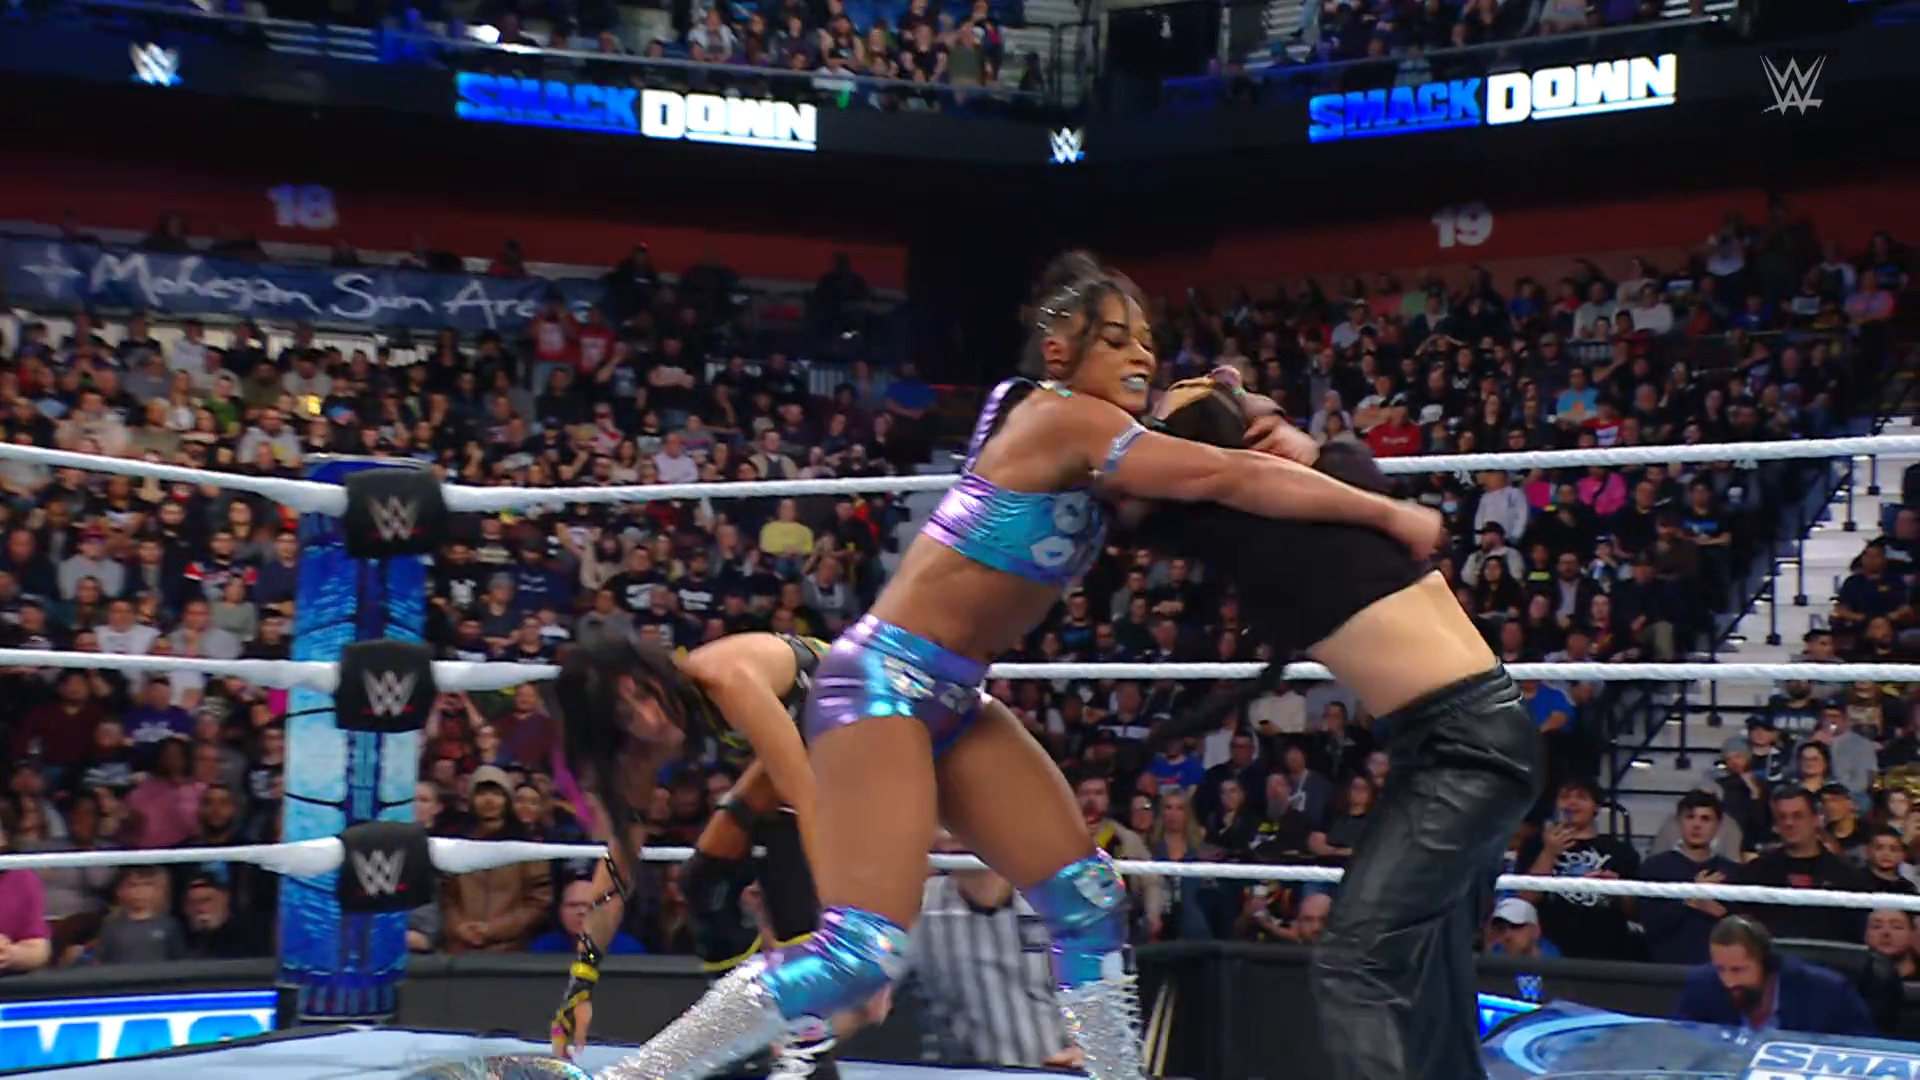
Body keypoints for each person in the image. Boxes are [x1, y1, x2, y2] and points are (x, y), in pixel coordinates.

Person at [599, 252, 1444, 1080]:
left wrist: (1242, 403)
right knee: (861, 954)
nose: (1140, 354)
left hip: (952, 696)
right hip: (881, 683)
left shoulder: (1094, 442)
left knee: (1086, 895)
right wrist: (1389, 514)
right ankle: (634, 1078)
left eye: (1146, 341)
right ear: (1060, 352)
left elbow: (1224, 455)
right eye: (1115, 339)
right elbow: (1229, 476)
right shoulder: (1062, 418)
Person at [1127, 367, 1541, 1080]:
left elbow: (1132, 494)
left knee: (1355, 961)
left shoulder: (1256, 525)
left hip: (1466, 751)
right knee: (1427, 967)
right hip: (1468, 741)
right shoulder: (1331, 485)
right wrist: (1278, 428)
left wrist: (1236, 427)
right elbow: (1336, 467)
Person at [549, 631, 857, 1079]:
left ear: (656, 674)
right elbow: (618, 868)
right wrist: (581, 983)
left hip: (863, 709)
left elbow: (807, 800)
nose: (648, 719)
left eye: (643, 695)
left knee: (785, 850)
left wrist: (839, 917)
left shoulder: (727, 680)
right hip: (815, 736)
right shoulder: (642, 750)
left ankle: (810, 1055)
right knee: (705, 882)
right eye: (626, 714)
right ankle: (750, 1042)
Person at [909, 830, 1081, 1070]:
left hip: (1060, 1071)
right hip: (964, 1072)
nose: (959, 831)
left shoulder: (1059, 902)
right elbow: (866, 992)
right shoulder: (917, 907)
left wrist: (1088, 1050)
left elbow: (1104, 997)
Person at [1674, 915, 1875, 1036]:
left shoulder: (1827, 991)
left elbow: (1861, 1049)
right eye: (1720, 969)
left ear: (1765, 962)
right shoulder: (1702, 984)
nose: (1728, 981)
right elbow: (1682, 1044)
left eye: (1738, 970)